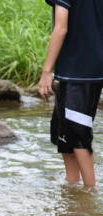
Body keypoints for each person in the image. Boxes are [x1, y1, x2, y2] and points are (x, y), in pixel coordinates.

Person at [38, 0, 103, 189]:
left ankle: (90, 192)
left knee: (77, 130)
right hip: (83, 68)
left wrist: (46, 71)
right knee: (64, 130)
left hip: (79, 69)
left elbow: (61, 28)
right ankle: (72, 185)